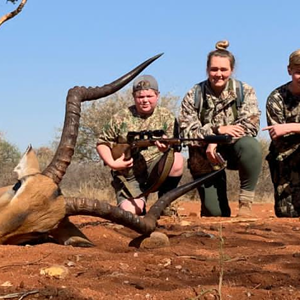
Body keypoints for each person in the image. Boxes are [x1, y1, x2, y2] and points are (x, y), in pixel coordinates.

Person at [179, 40, 262, 217]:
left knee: (251, 145)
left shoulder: (244, 91)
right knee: (215, 214)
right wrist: (216, 132)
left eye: (223, 70)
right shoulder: (194, 94)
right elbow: (187, 132)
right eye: (214, 69)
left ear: (231, 70)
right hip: (205, 157)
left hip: (233, 150)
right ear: (207, 69)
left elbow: (250, 126)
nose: (218, 74)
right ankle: (211, 206)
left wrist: (216, 141)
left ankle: (246, 202)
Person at [96, 75, 184, 216]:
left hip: (155, 171)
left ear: (157, 95)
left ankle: (165, 204)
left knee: (177, 160)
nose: (145, 100)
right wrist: (113, 163)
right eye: (140, 97)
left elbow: (173, 147)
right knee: (131, 213)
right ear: (133, 97)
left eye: (149, 96)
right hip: (130, 176)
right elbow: (102, 143)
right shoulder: (121, 117)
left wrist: (166, 148)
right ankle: (137, 203)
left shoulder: (166, 116)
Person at [262, 49, 300, 217]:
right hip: (287, 161)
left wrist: (292, 127)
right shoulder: (276, 98)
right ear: (289, 70)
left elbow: (284, 131)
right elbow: (279, 140)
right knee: (287, 215)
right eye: (298, 72)